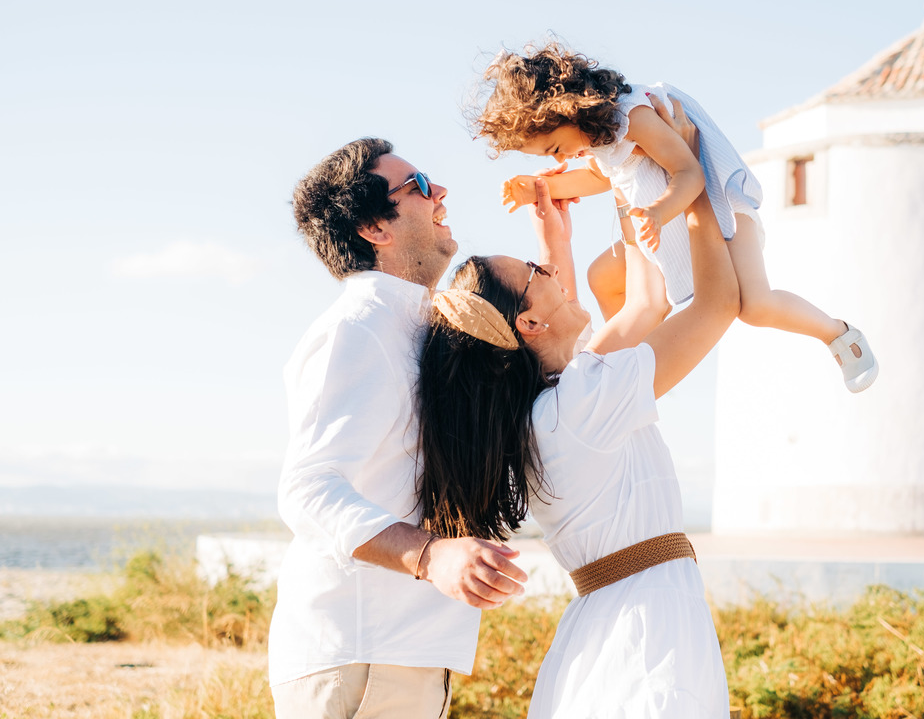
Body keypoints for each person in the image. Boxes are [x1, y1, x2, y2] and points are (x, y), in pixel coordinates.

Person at [416, 96, 740, 717]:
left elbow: (646, 304)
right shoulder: (583, 404)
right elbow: (717, 303)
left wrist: (624, 183)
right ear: (530, 323)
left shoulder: (552, 407)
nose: (554, 274)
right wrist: (689, 179)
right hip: (648, 631)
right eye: (539, 272)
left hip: (620, 620)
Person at [270, 138, 528, 719]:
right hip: (360, 655)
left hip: (399, 656)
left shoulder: (413, 326)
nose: (441, 192)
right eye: (419, 184)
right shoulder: (358, 329)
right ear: (374, 228)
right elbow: (309, 490)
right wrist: (431, 556)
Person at [473, 41, 878, 393]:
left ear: (567, 110)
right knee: (603, 277)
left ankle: (838, 334)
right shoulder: (597, 139)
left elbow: (689, 171)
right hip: (670, 226)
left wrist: (658, 211)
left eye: (555, 149)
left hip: (721, 214)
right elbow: (600, 176)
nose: (561, 159)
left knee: (755, 304)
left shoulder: (633, 115)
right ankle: (635, 362)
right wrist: (540, 188)